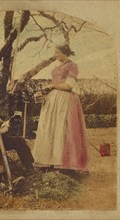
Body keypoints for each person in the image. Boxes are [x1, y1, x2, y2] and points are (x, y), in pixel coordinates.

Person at [32, 44, 89, 172]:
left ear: (64, 52)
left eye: (57, 52)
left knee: (62, 129)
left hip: (65, 100)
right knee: (49, 128)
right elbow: (56, 84)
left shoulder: (72, 66)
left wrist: (51, 86)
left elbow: (69, 86)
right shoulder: (56, 67)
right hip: (53, 101)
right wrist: (46, 90)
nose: (56, 55)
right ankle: (47, 161)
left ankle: (63, 163)